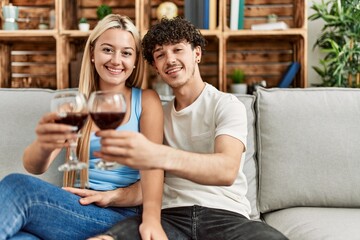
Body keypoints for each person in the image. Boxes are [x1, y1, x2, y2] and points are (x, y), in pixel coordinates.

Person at [89, 17, 288, 240]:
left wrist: (158, 154)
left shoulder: (226, 105)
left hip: (225, 218)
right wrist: (115, 195)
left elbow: (226, 170)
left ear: (197, 54)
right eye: (160, 54)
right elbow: (150, 179)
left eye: (178, 50)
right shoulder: (156, 115)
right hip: (169, 217)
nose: (170, 60)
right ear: (155, 67)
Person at [0, 14, 166, 240]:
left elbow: (154, 174)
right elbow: (34, 166)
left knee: (17, 188)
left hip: (120, 215)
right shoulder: (75, 106)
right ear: (92, 53)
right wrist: (45, 144)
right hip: (74, 208)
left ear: (135, 60)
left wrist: (113, 196)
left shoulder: (146, 101)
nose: (116, 60)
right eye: (107, 50)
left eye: (126, 53)